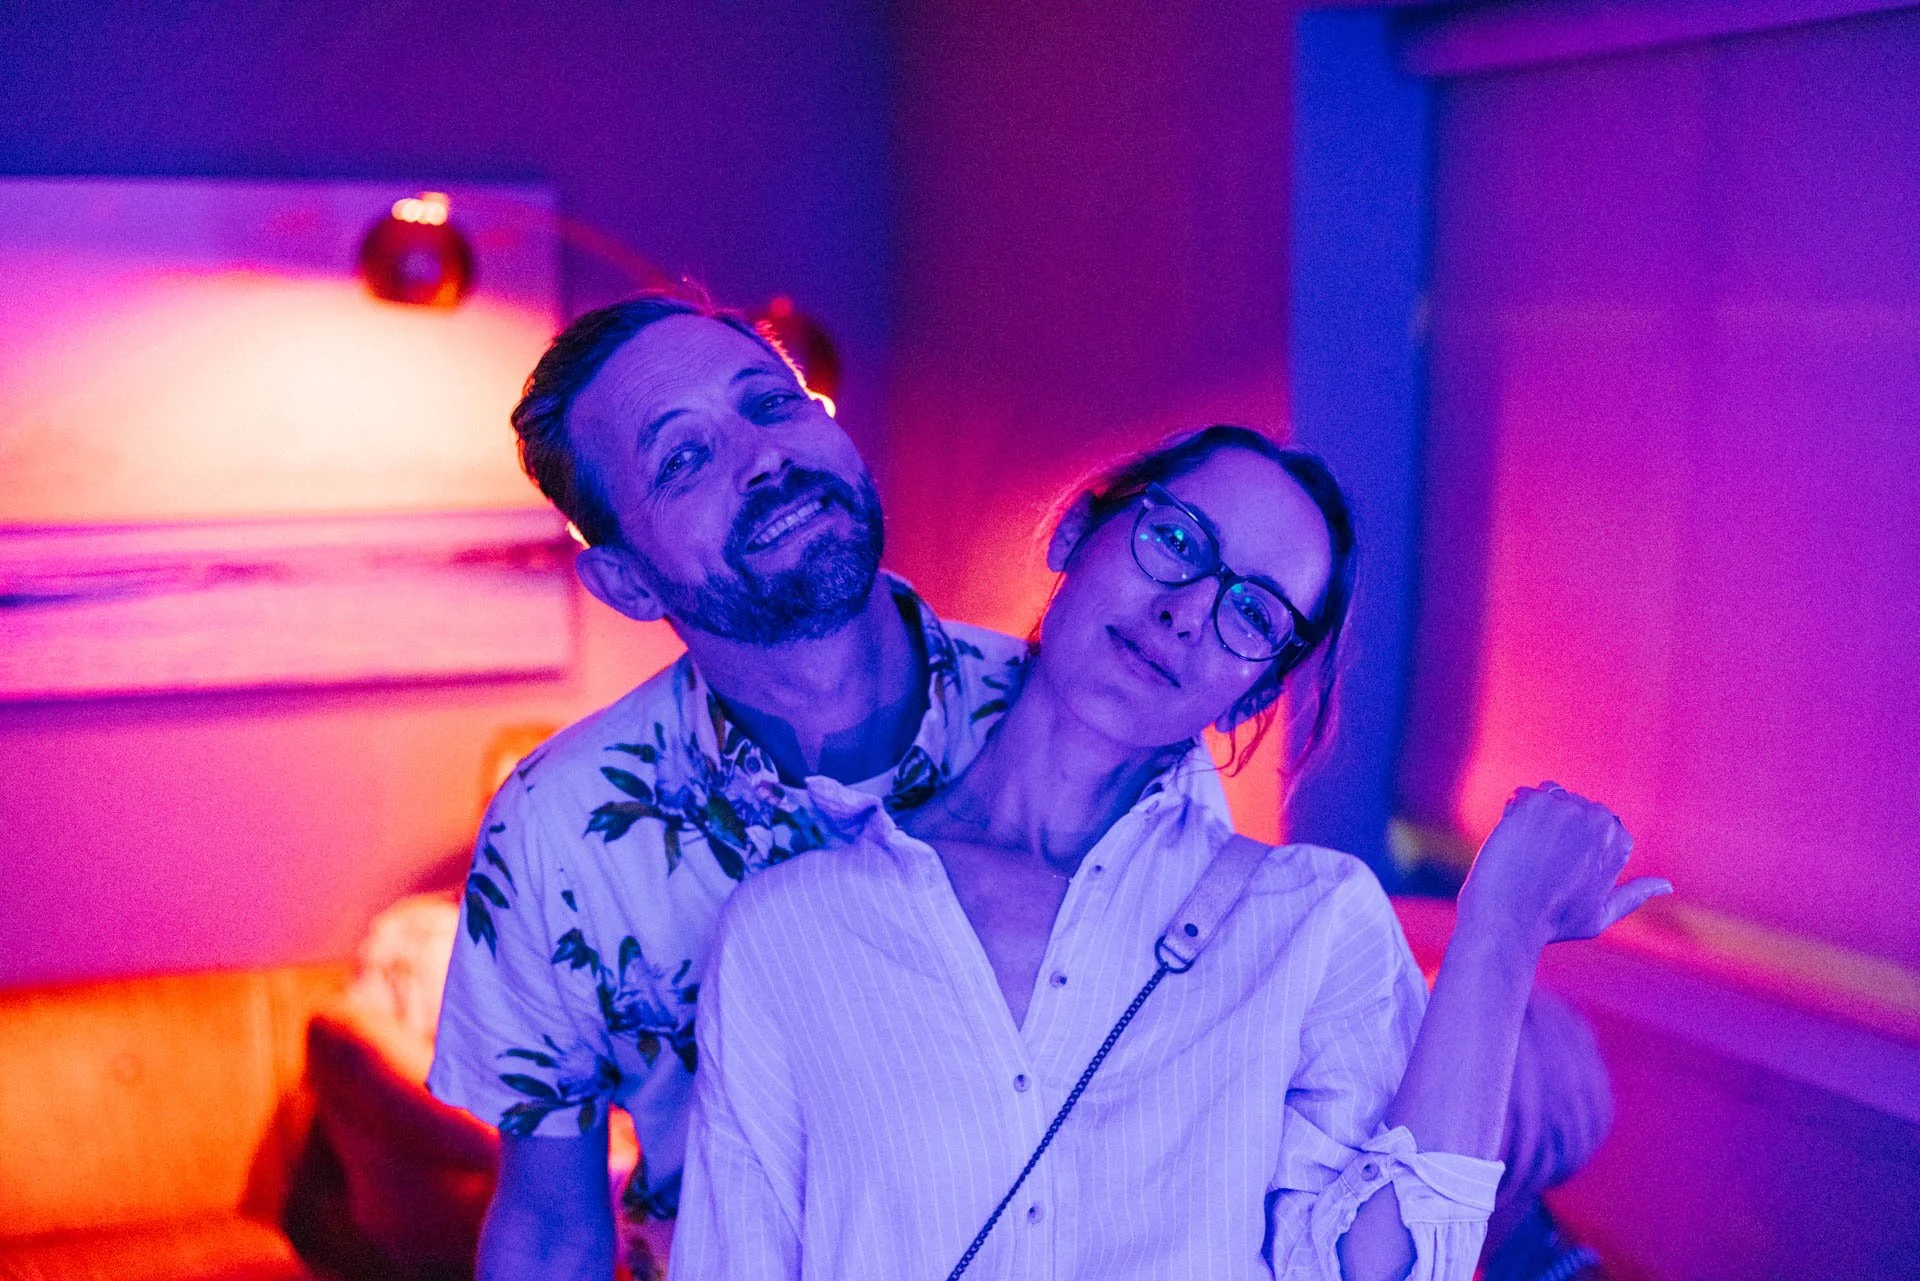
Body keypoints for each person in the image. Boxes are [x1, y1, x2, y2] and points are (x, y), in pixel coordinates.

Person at [672, 426, 1670, 1280]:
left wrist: (1500, 931)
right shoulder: (792, 928)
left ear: (1249, 694)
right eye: (1178, 540)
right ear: (1078, 532)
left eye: (1252, 615)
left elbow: (1385, 1271)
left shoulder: (1309, 919)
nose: (1188, 608)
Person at [425, 291, 1153, 1279]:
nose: (763, 458)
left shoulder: (1088, 722)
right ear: (630, 584)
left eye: (771, 405)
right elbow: (551, 1226)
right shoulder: (557, 831)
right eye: (682, 457)